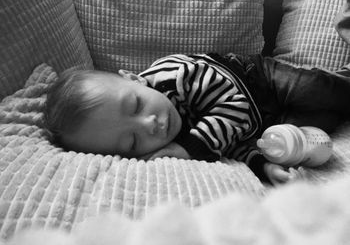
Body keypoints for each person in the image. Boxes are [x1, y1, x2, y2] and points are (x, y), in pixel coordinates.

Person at [44, 53, 350, 184]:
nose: (150, 124)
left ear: (134, 79)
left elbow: (235, 106)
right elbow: (231, 143)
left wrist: (194, 145)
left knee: (314, 90)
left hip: (260, 83)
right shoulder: (174, 145)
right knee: (321, 123)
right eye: (133, 140)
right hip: (264, 122)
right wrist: (264, 165)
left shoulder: (174, 75)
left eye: (136, 105)